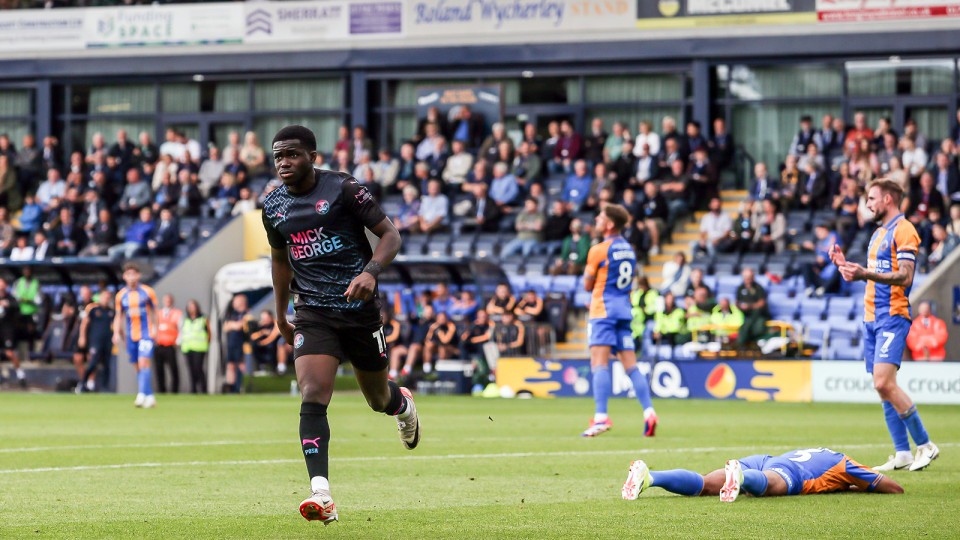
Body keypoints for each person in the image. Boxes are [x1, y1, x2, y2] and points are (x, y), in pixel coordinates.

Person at [261, 125, 419, 523]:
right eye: (278, 155)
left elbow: (390, 235)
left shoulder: (344, 189)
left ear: (313, 156)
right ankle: (321, 493)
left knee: (378, 400)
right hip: (313, 312)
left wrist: (370, 272)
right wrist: (281, 314)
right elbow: (280, 262)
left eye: (292, 154)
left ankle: (402, 405)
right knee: (312, 392)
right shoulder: (273, 207)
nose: (284, 162)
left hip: (359, 309)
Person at [831, 178, 939, 472]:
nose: (867, 204)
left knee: (883, 382)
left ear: (888, 199)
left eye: (871, 198)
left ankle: (926, 445)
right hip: (871, 319)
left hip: (892, 316)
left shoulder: (905, 230)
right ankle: (902, 452)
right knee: (882, 389)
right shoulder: (879, 233)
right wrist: (846, 266)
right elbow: (872, 272)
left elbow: (905, 276)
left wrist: (864, 273)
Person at [581, 204, 657, 438]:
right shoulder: (629, 250)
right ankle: (649, 412)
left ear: (610, 224)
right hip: (624, 310)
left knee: (599, 363)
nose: (596, 219)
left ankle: (601, 417)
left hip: (603, 310)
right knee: (631, 366)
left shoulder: (598, 250)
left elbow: (587, 284)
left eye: (601, 217)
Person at [621, 447, 903, 502]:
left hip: (767, 458)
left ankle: (650, 476)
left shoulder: (822, 452)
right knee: (773, 487)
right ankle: (741, 478)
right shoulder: (845, 463)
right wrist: (859, 484)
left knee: (706, 485)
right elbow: (891, 487)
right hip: (790, 470)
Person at [114, 263, 159, 408]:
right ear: (124, 277)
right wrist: (116, 333)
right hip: (131, 335)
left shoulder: (147, 292)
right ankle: (150, 395)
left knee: (144, 362)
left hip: (146, 334)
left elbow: (154, 312)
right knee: (138, 367)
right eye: (129, 274)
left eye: (134, 274)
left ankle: (141, 395)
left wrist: (155, 330)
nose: (131, 277)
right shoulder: (121, 295)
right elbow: (118, 316)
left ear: (138, 276)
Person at [78, 289, 115, 393]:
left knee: (107, 364)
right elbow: (85, 323)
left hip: (107, 341)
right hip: (95, 341)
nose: (106, 299)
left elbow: (115, 325)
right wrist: (82, 337)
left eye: (108, 297)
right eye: (104, 297)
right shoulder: (93, 309)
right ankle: (83, 383)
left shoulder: (111, 311)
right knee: (93, 363)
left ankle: (105, 387)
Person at [222, 294, 254, 394]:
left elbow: (240, 326)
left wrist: (233, 325)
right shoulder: (232, 314)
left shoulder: (247, 313)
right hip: (232, 344)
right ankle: (231, 388)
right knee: (231, 365)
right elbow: (225, 327)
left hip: (243, 344)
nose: (233, 303)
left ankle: (242, 387)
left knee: (241, 365)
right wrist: (233, 325)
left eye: (235, 301)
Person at [735, 267, 771, 351]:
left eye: (749, 277)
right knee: (746, 325)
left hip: (758, 314)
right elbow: (737, 302)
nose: (747, 279)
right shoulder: (740, 288)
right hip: (744, 314)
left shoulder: (758, 288)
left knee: (756, 328)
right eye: (746, 277)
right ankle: (741, 345)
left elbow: (761, 303)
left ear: (753, 277)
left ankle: (742, 343)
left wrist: (749, 306)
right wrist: (741, 306)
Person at [0, 278, 27, 387]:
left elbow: (17, 307)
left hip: (7, 330)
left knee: (10, 353)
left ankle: (20, 374)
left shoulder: (10, 298)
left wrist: (8, 304)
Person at [180, 299, 210, 394]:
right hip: (187, 347)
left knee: (198, 368)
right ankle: (193, 389)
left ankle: (203, 389)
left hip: (199, 348)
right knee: (191, 369)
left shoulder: (203, 318)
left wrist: (207, 343)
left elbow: (209, 333)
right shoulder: (185, 319)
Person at [154, 293, 182, 394]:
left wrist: (178, 342)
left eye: (169, 300)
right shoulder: (158, 313)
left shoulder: (177, 313)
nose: (167, 302)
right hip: (159, 344)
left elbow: (180, 328)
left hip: (170, 344)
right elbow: (154, 327)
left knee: (173, 369)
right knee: (159, 370)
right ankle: (162, 391)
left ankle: (174, 390)